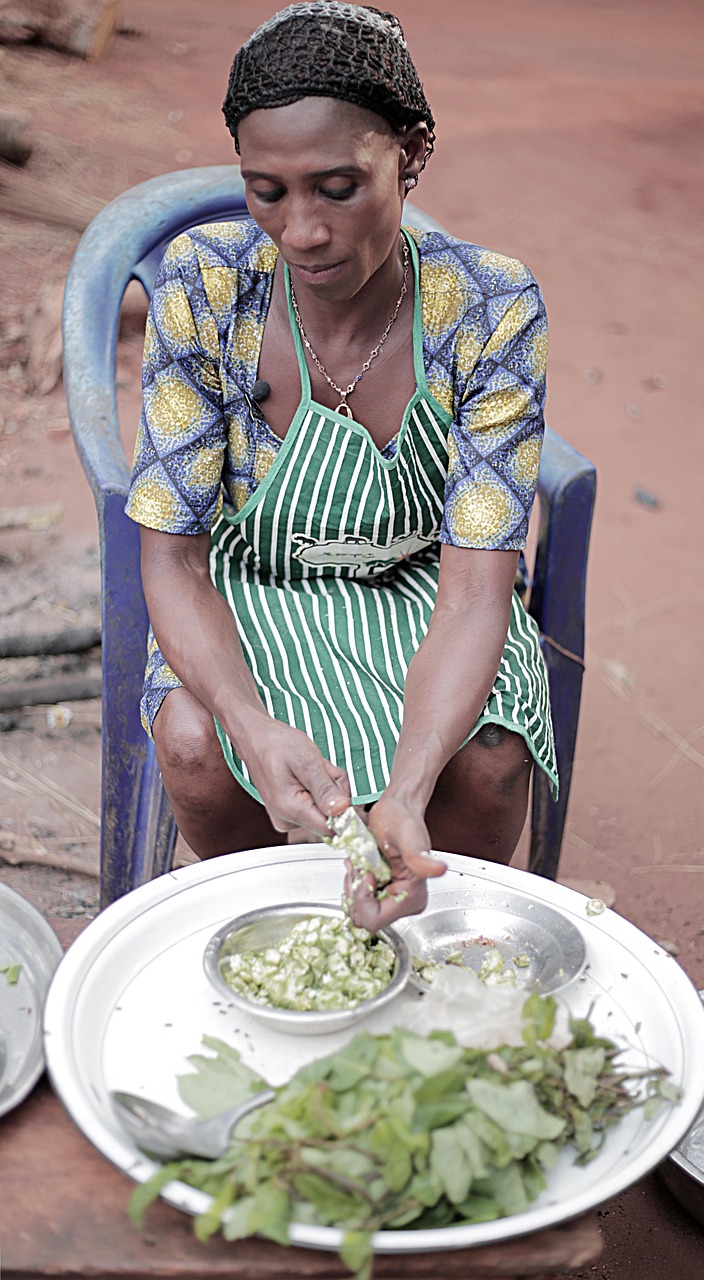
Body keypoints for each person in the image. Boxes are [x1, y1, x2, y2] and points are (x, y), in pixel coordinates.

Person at [125, 1, 557, 930]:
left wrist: (405, 788)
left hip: (423, 587)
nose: (304, 232)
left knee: (485, 759)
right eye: (267, 191)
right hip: (252, 585)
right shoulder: (208, 285)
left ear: (412, 154)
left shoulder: (489, 306)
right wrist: (252, 721)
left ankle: (431, 937)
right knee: (198, 743)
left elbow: (479, 591)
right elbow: (174, 557)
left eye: (338, 186)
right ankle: (275, 931)